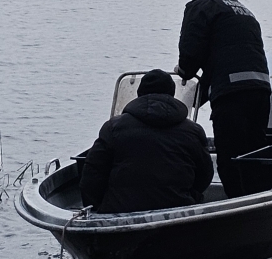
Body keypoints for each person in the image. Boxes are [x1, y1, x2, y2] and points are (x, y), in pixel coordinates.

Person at [176, 0, 270, 198]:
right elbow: (228, 51)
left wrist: (184, 70)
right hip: (261, 89)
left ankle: (238, 211)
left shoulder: (201, 6)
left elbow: (191, 52)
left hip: (231, 93)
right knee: (254, 155)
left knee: (230, 158)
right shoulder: (244, 10)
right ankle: (260, 203)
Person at [80, 69, 214, 214]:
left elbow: (92, 174)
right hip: (177, 212)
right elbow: (204, 175)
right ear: (172, 94)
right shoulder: (193, 131)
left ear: (139, 93)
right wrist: (190, 198)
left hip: (119, 212)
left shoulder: (113, 127)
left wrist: (97, 208)